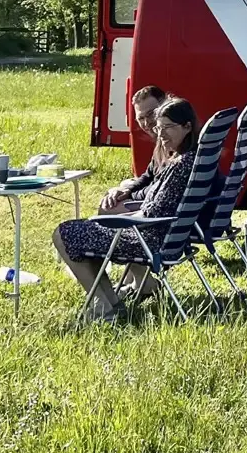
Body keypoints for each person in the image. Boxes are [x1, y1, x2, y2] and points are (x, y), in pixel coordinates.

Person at [55, 96, 199, 320]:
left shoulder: (179, 166)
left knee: (64, 234)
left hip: (148, 241)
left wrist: (109, 221)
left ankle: (104, 306)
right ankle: (111, 304)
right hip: (161, 237)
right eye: (159, 129)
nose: (161, 135)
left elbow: (154, 214)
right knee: (81, 232)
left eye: (168, 128)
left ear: (187, 126)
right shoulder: (188, 159)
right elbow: (156, 202)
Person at [96, 84, 167, 214]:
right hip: (157, 201)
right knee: (118, 189)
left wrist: (129, 195)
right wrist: (127, 190)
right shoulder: (161, 142)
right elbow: (148, 175)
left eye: (151, 114)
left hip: (160, 212)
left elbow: (158, 187)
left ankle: (108, 232)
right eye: (140, 118)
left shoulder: (173, 143)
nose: (146, 123)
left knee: (107, 206)